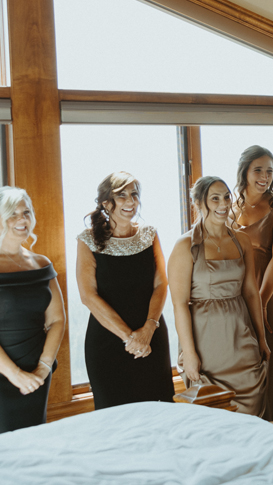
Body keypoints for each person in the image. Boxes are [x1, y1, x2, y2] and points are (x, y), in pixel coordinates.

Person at [167, 176, 268, 416]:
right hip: (206, 346)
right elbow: (179, 304)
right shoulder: (185, 246)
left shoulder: (242, 241)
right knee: (213, 417)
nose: (223, 204)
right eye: (215, 198)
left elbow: (251, 293)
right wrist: (189, 354)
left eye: (226, 197)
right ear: (198, 204)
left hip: (242, 341)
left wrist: (261, 338)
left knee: (253, 414)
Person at [75, 172, 174, 409]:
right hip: (108, 344)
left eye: (134, 195)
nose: (131, 201)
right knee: (115, 417)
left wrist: (148, 330)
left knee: (160, 412)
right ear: (106, 203)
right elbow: (88, 296)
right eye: (122, 196)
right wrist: (130, 338)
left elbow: (161, 284)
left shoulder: (149, 234)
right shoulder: (87, 240)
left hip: (152, 337)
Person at [232, 146, 273, 420]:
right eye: (258, 170)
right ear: (244, 171)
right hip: (239, 292)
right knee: (246, 358)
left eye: (269, 171)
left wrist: (262, 302)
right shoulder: (230, 206)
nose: (265, 176)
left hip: (270, 290)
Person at [0, 187, 65, 433]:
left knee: (34, 441)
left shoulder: (41, 264)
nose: (22, 219)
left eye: (26, 212)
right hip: (4, 373)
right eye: (12, 214)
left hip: (37, 375)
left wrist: (44, 367)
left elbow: (57, 320)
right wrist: (15, 375)